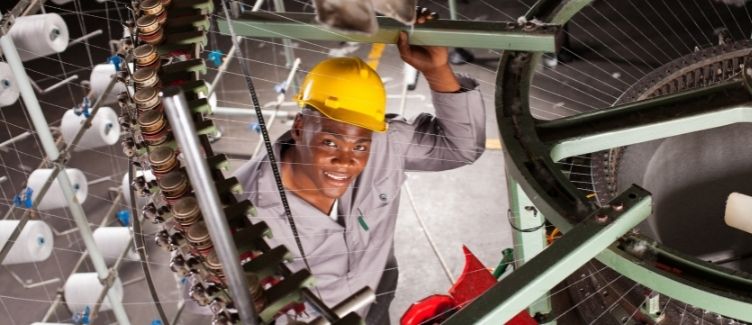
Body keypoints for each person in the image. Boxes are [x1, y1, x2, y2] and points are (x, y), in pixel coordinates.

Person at [234, 10, 486, 324]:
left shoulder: (384, 145)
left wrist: (437, 71)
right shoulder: (243, 215)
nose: (346, 160)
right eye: (329, 142)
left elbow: (462, 148)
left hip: (374, 306)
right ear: (299, 127)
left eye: (360, 145)